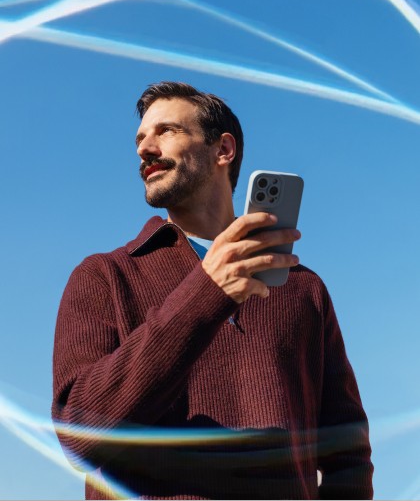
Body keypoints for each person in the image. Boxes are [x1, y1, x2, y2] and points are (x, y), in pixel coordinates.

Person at [52, 81, 374, 500]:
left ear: (223, 150)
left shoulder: (304, 290)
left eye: (165, 131)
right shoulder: (103, 276)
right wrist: (206, 293)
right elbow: (78, 431)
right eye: (140, 138)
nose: (144, 149)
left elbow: (348, 455)